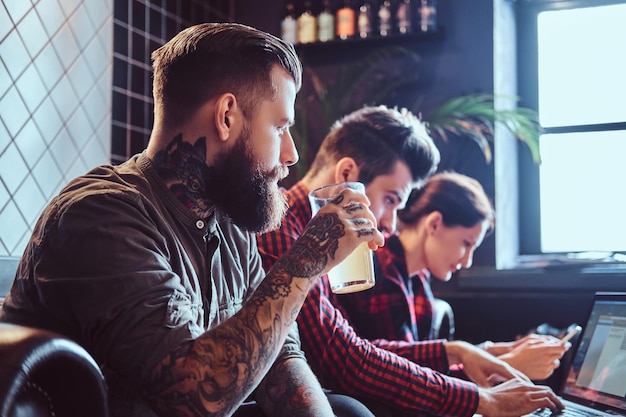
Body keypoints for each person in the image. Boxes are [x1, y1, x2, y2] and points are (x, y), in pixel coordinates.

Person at [0, 23, 386, 417]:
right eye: (280, 127)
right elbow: (192, 401)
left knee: (344, 410)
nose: (291, 154)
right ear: (226, 116)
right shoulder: (100, 217)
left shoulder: (230, 219)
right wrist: (305, 262)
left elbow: (281, 360)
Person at [257, 106, 564, 417]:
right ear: (347, 175)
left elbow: (354, 347)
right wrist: (482, 399)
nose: (391, 225)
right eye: (389, 200)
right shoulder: (282, 231)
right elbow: (343, 359)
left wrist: (457, 351)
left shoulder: (310, 234)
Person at [336, 171, 570, 382]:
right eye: (466, 243)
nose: (467, 261)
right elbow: (405, 378)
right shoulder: (383, 269)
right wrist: (506, 366)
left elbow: (421, 362)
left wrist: (498, 352)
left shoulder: (416, 279)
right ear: (435, 223)